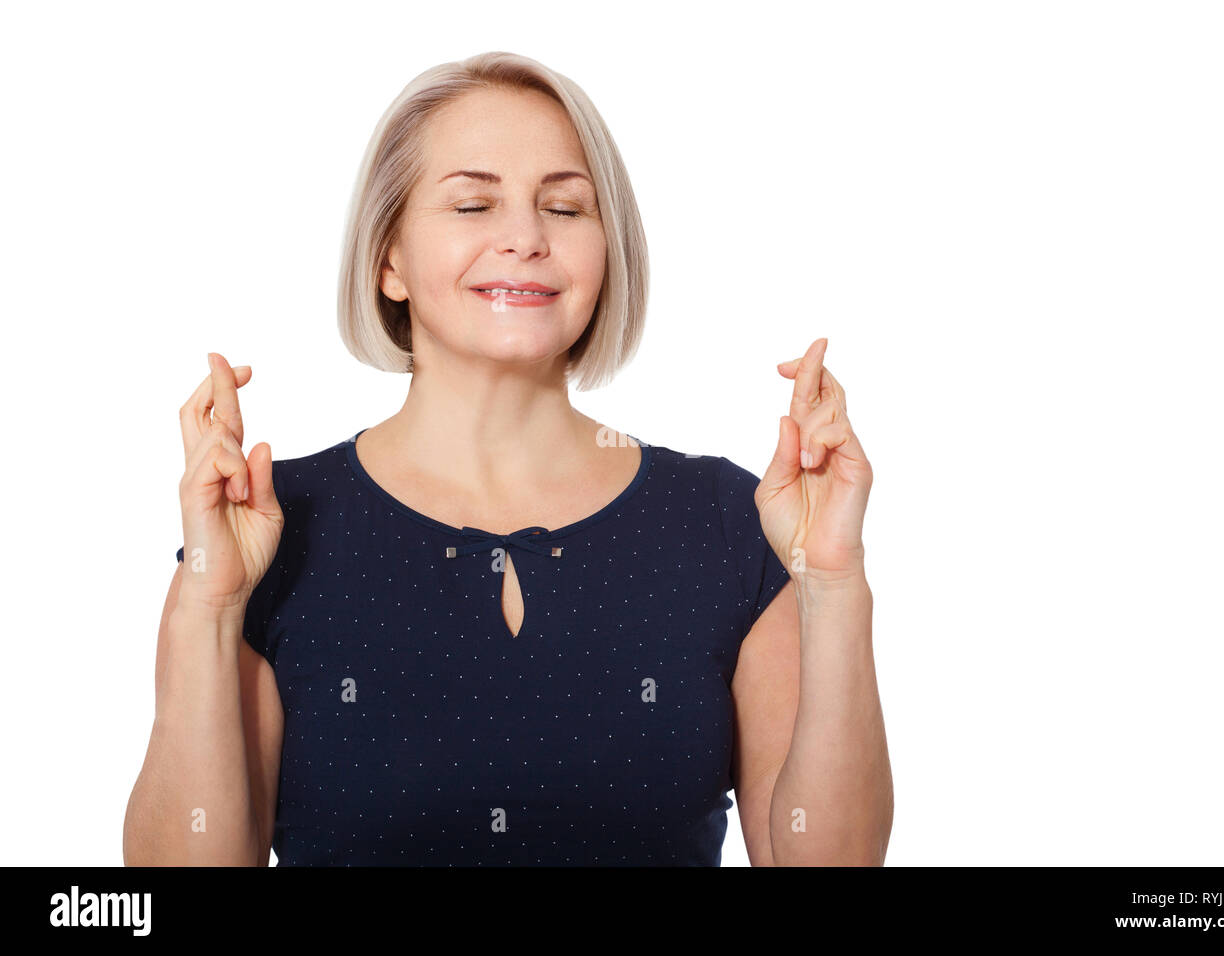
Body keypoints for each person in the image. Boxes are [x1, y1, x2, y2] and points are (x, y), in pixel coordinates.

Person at [123, 51, 890, 866]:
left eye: (563, 208)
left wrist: (834, 581)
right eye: (472, 203)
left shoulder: (731, 521)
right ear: (389, 262)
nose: (524, 238)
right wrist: (209, 607)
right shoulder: (271, 526)